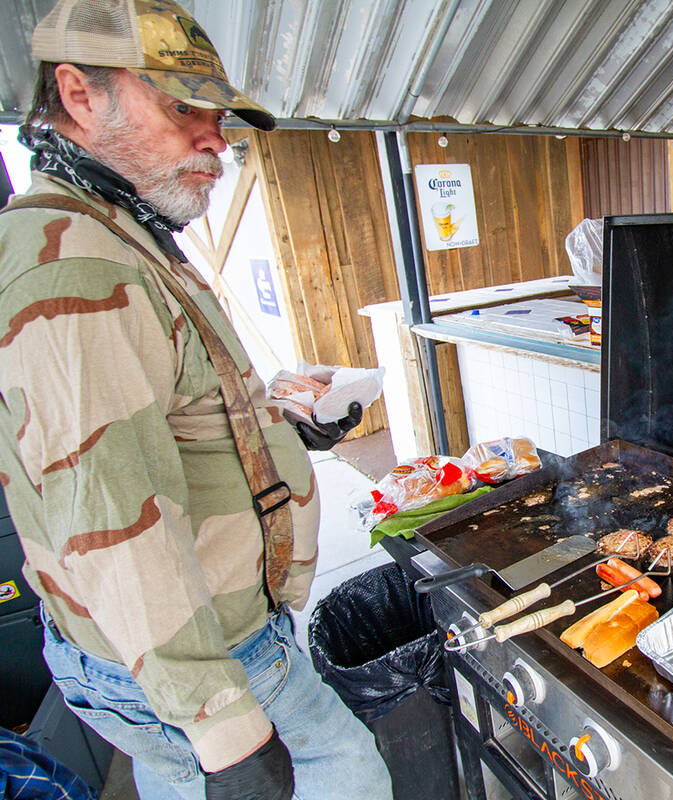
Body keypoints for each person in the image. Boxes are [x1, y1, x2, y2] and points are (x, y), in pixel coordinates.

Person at [0, 2, 390, 798]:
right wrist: (220, 724)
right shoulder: (75, 266)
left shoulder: (118, 228)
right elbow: (106, 516)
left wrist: (288, 433)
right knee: (350, 776)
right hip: (203, 658)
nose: (215, 138)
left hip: (214, 639)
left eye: (217, 116)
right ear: (79, 94)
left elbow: (166, 424)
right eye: (182, 107)